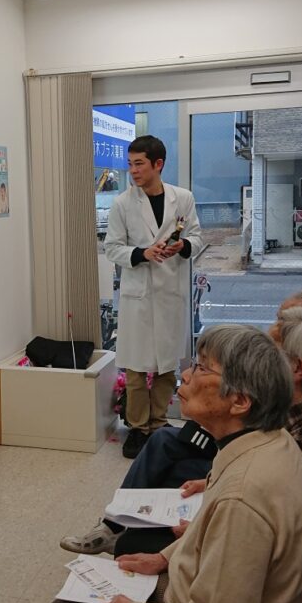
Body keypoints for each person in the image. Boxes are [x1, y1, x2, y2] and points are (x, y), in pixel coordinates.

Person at [42, 325, 302, 603]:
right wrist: (163, 558)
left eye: (202, 368)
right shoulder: (264, 440)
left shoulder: (243, 497)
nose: (186, 374)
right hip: (199, 596)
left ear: (240, 400)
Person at [60, 298, 302, 557]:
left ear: (298, 369)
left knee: (140, 529)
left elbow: (279, 528)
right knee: (165, 440)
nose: (264, 363)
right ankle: (115, 524)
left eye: (273, 355)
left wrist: (197, 530)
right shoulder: (297, 413)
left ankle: (127, 531)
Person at [104, 135, 202, 458]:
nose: (133, 170)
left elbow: (197, 236)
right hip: (139, 295)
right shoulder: (122, 203)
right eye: (130, 164)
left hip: (170, 292)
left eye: (139, 164)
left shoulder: (182, 198)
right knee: (135, 368)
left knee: (166, 367)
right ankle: (137, 428)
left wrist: (183, 246)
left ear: (158, 164)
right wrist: (142, 253)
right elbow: (112, 248)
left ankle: (158, 424)